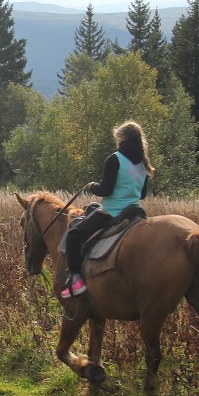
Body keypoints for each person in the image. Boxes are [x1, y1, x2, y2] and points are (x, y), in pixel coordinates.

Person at [61, 120, 154, 300]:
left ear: (121, 138)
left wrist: (92, 187)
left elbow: (106, 190)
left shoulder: (115, 159)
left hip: (113, 212)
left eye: (117, 138)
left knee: (73, 235)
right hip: (136, 211)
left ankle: (76, 279)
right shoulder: (144, 163)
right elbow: (142, 194)